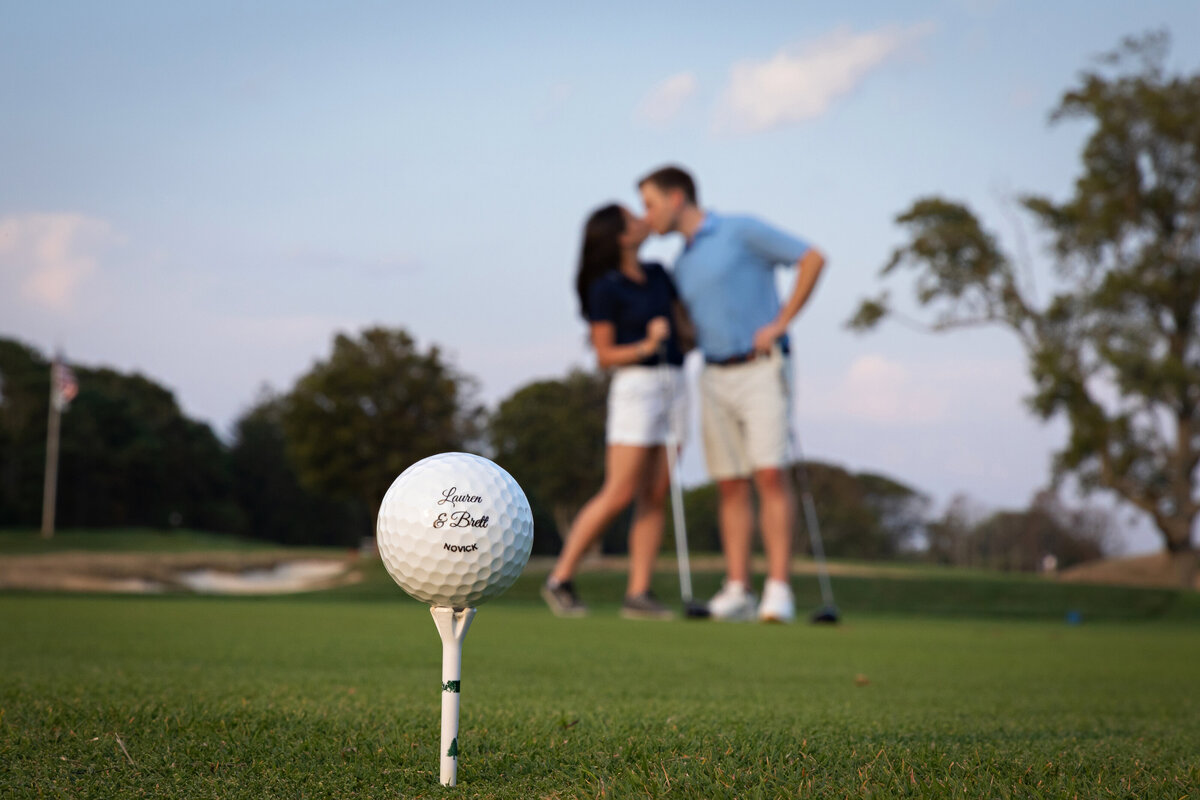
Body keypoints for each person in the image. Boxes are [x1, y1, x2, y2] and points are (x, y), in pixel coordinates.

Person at [638, 166, 827, 623]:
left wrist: (781, 323)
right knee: (729, 483)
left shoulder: (739, 230)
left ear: (677, 197)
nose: (647, 216)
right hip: (713, 374)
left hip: (762, 366)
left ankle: (778, 590)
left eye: (650, 204)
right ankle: (739, 589)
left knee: (769, 474)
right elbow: (692, 331)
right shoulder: (680, 265)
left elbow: (812, 259)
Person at [541, 203, 691, 620]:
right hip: (636, 388)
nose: (645, 219)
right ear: (621, 236)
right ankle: (560, 578)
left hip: (676, 382)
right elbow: (604, 355)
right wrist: (646, 345)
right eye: (634, 218)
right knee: (620, 491)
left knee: (655, 493)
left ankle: (638, 593)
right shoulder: (604, 287)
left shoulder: (659, 273)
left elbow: (684, 327)